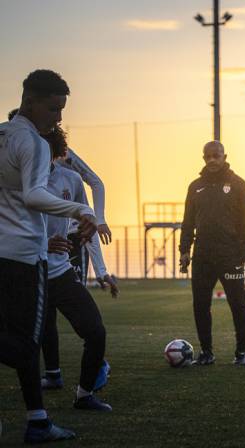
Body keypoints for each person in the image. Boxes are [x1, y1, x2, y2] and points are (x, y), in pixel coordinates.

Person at [0, 69, 96, 443]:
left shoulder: (2, 134)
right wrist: (79, 211)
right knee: (27, 343)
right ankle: (37, 421)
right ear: (31, 102)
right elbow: (34, 196)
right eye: (55, 109)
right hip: (23, 256)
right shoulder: (35, 144)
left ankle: (38, 420)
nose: (58, 119)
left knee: (24, 339)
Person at [39, 125, 112, 411]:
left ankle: (84, 395)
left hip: (58, 271)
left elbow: (86, 216)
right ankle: (39, 406)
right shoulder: (12, 184)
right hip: (23, 271)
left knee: (95, 331)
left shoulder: (69, 178)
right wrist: (42, 244)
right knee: (25, 342)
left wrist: (90, 220)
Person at [179, 140, 245, 366]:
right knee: (200, 305)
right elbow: (187, 222)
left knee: (238, 304)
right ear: (203, 158)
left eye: (216, 156)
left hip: (230, 256)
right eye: (208, 156)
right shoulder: (195, 187)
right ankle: (206, 353)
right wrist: (184, 250)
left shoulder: (239, 185)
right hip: (202, 257)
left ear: (224, 156)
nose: (212, 160)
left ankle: (241, 352)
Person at [8, 107, 112, 246]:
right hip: (29, 245)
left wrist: (99, 220)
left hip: (65, 238)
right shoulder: (10, 158)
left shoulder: (62, 156)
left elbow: (95, 182)